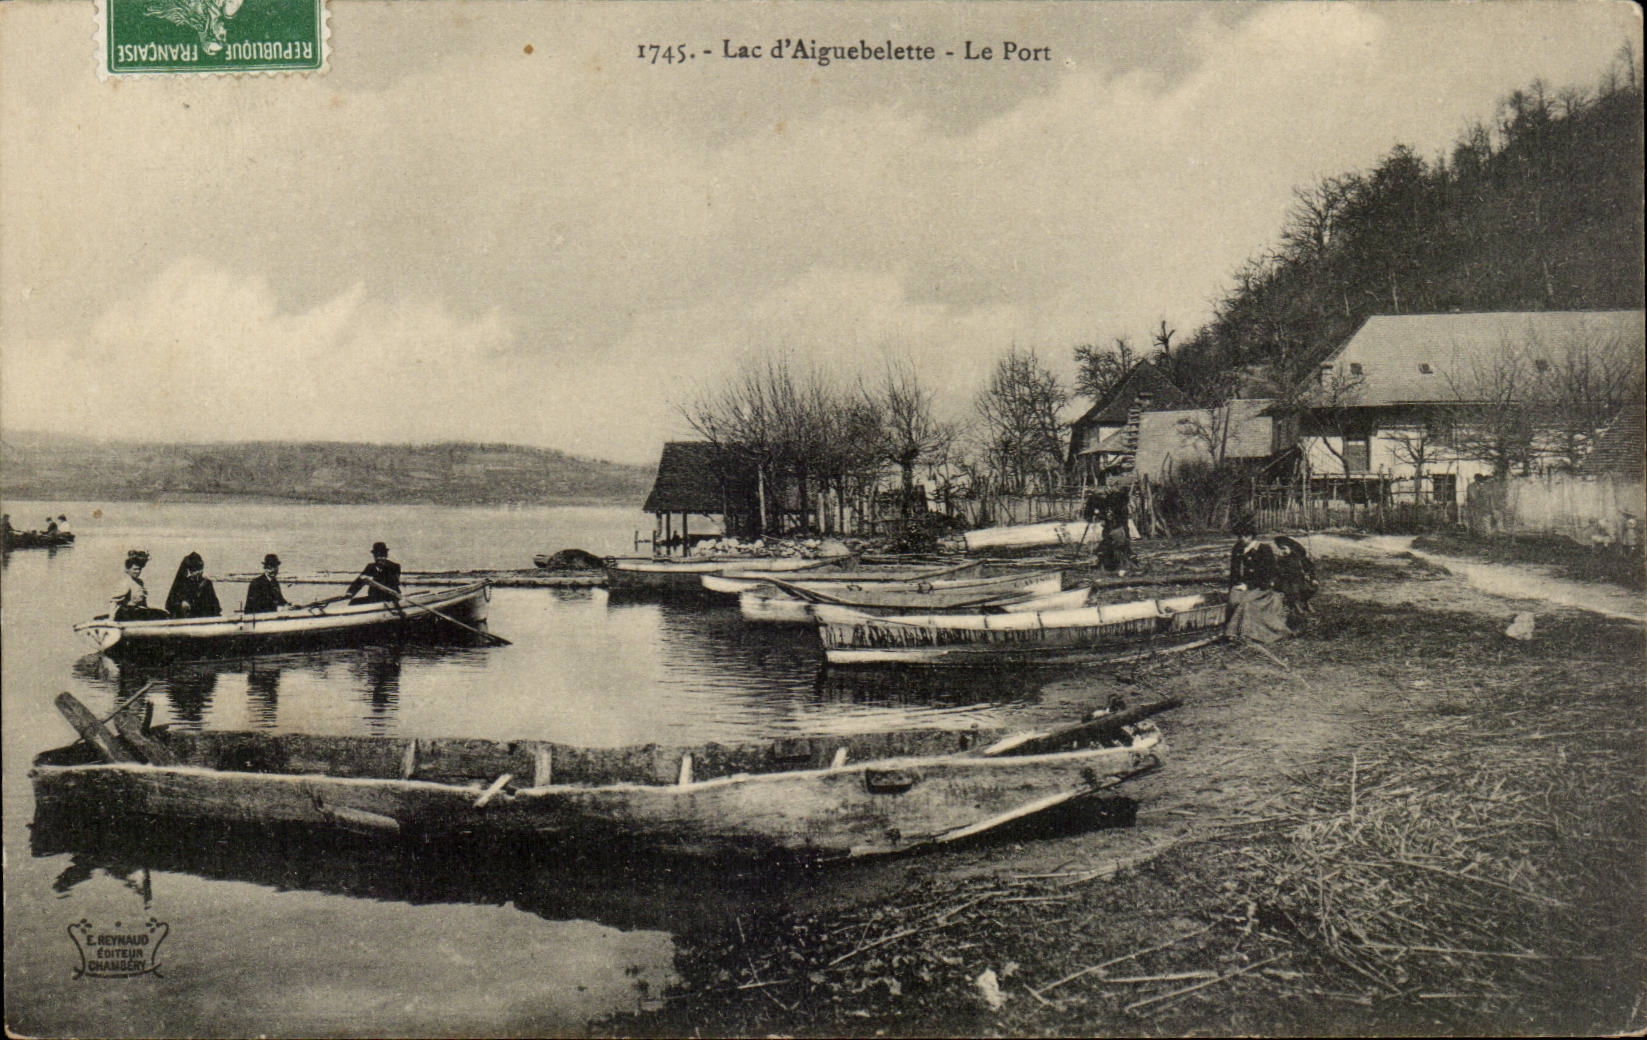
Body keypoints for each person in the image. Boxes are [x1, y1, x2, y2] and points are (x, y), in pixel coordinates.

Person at [111, 549, 169, 620]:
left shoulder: (139, 582)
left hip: (139, 612)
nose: (137, 571)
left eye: (139, 569)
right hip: (128, 614)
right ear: (128, 569)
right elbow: (114, 602)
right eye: (135, 569)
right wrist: (111, 619)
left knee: (163, 614)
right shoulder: (126, 582)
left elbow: (143, 603)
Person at [165, 551, 222, 618]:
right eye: (194, 570)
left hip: (204, 619)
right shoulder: (182, 584)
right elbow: (169, 605)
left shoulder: (206, 583)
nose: (198, 573)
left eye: (199, 569)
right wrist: (181, 605)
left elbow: (215, 607)